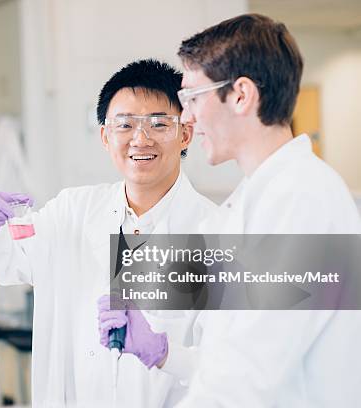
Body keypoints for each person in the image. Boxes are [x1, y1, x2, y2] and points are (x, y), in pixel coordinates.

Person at [98, 14, 361, 407]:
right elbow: (230, 359)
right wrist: (164, 352)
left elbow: (247, 380)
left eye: (192, 98)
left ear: (241, 95)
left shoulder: (299, 200)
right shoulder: (256, 200)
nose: (185, 117)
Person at [0, 59, 216, 406]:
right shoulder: (72, 213)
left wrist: (163, 351)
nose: (140, 139)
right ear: (105, 137)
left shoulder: (214, 232)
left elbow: (233, 365)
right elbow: (3, 259)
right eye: (124, 125)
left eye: (158, 123)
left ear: (185, 133)